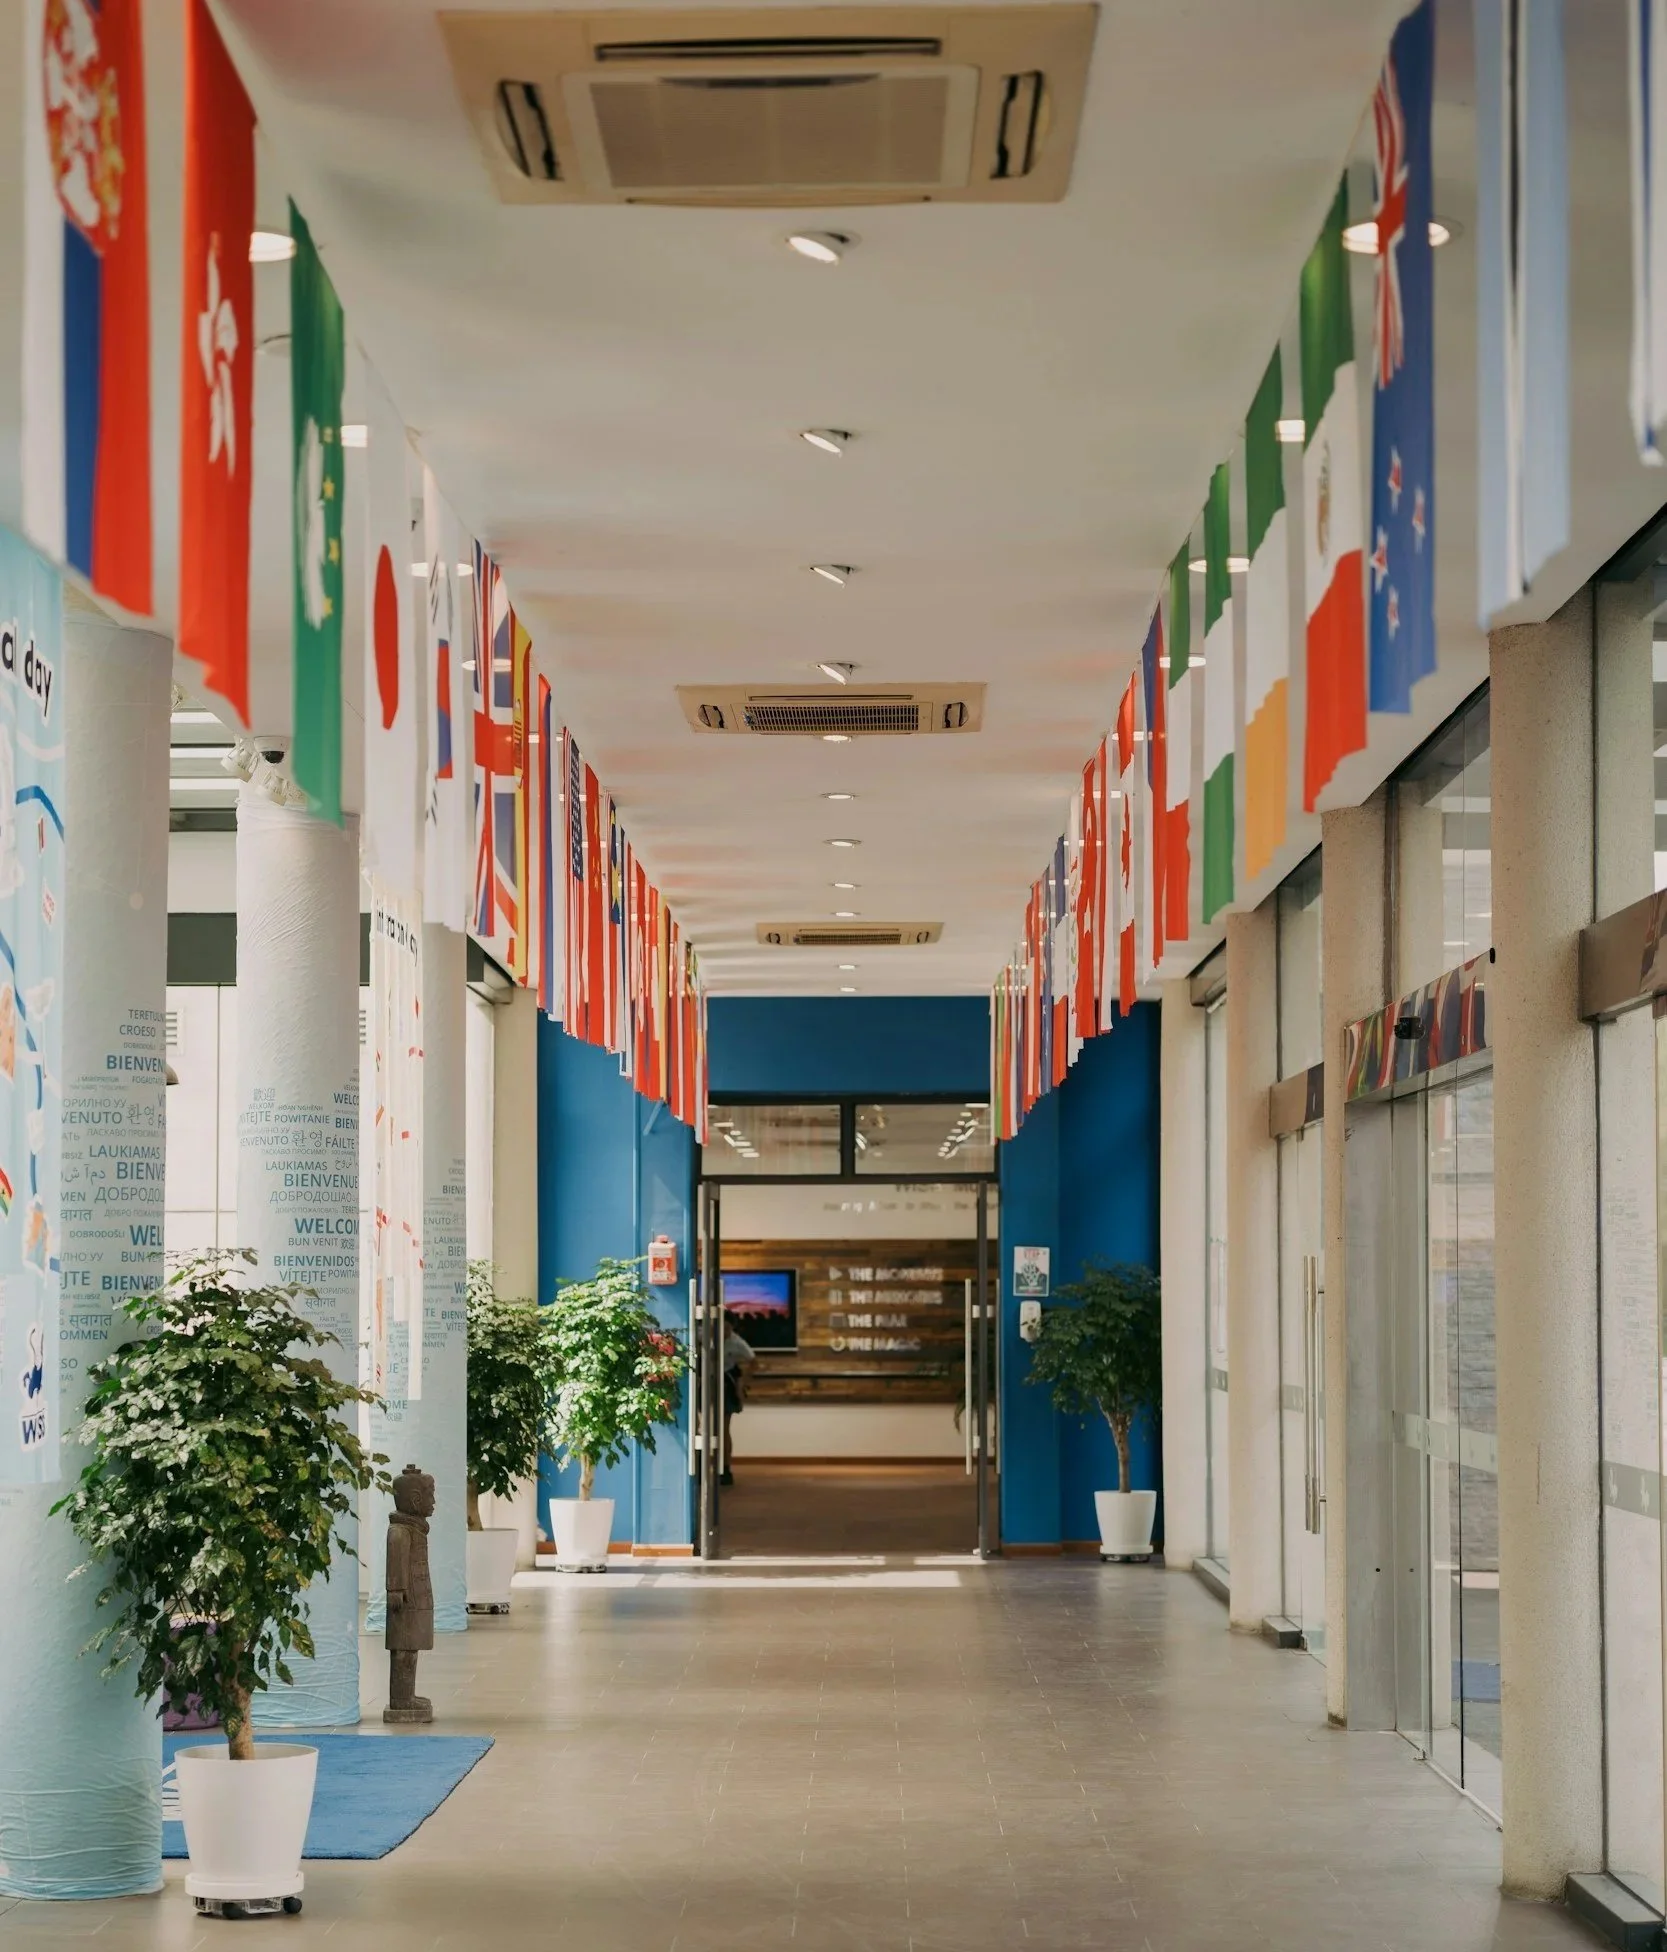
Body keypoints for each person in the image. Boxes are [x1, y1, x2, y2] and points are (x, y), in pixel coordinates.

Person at [720, 1321, 755, 1488]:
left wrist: (745, 1383)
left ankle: (725, 1469)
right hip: (704, 1380)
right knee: (699, 1426)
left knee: (723, 1428)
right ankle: (700, 1466)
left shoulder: (737, 1342)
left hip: (726, 1383)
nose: (724, 1330)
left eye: (727, 1327)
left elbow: (753, 1360)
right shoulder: (702, 1334)